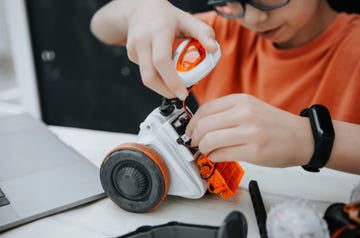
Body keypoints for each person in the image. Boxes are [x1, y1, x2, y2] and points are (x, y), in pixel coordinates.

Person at [90, 0, 360, 175]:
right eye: (230, 1)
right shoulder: (215, 36)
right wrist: (142, 9)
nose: (254, 18)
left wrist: (312, 139)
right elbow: (101, 25)